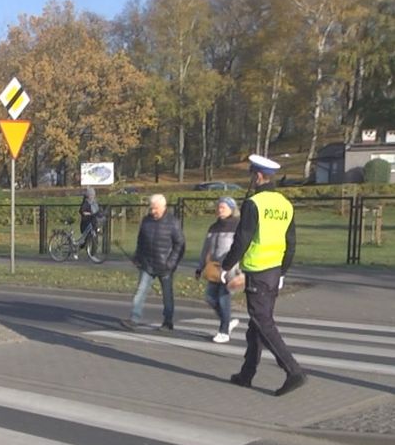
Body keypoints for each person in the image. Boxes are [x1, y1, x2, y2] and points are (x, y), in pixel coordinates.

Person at [222, 155, 307, 396]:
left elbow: (243, 239)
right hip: (274, 272)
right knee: (256, 324)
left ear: (258, 175)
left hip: (258, 271)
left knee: (263, 323)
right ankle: (246, 373)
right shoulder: (285, 204)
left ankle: (293, 371)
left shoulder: (254, 203)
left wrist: (226, 266)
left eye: (251, 174)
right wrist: (283, 271)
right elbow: (291, 242)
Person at [121, 194, 185, 332]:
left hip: (165, 266)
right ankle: (134, 319)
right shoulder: (146, 221)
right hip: (147, 264)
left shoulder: (173, 222)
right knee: (140, 292)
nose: (153, 211)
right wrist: (137, 257)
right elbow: (141, 241)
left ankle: (168, 322)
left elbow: (180, 244)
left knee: (167, 295)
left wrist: (171, 263)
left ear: (164, 207)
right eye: (151, 208)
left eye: (156, 209)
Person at [195, 197, 241, 343]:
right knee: (209, 297)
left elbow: (240, 248)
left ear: (232, 209)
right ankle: (227, 321)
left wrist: (239, 269)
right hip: (214, 267)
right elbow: (205, 249)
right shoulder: (214, 227)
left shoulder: (237, 226)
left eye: (223, 207)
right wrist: (200, 267)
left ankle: (223, 331)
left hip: (230, 268)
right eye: (219, 207)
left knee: (223, 298)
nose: (220, 210)